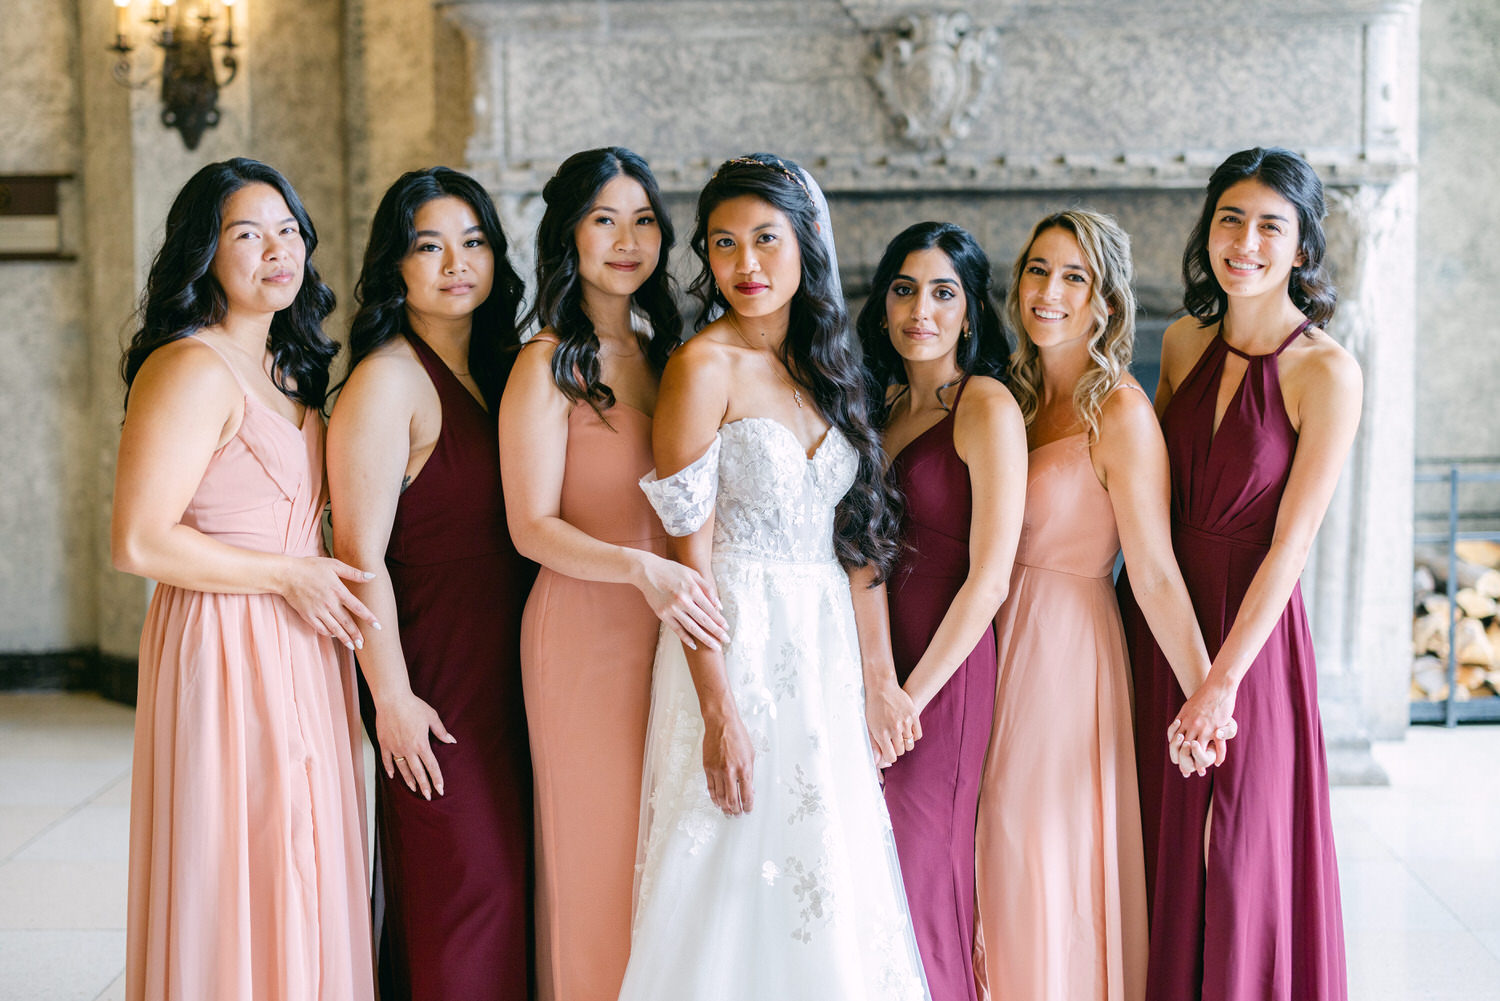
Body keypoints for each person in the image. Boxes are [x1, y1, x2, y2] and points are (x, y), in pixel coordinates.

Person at [617, 154, 930, 1001]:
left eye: (765, 239)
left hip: (823, 647)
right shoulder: (701, 367)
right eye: (724, 244)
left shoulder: (836, 365)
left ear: (807, 243)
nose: (746, 264)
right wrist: (718, 708)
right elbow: (690, 565)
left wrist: (877, 676)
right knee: (725, 853)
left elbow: (858, 543)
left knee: (825, 862)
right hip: (736, 639)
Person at [113, 157, 376, 1001]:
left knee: (297, 850)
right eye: (247, 233)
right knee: (239, 853)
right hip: (225, 642)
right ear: (205, 251)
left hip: (300, 643)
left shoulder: (290, 371)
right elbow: (139, 541)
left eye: (288, 230)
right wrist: (285, 576)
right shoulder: (190, 367)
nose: (277, 249)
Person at [1118, 146, 1358, 1001]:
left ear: (1300, 247)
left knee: (1244, 849)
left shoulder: (1325, 370)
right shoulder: (1182, 342)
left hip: (1252, 636)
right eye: (1230, 218)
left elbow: (1292, 545)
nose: (1245, 240)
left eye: (1269, 225)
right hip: (1161, 608)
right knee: (1165, 839)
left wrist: (1220, 684)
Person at [496, 146, 727, 1001]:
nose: (627, 241)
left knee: (668, 854)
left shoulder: (676, 356)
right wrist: (638, 569)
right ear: (569, 236)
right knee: (596, 854)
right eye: (604, 220)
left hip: (674, 629)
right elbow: (530, 527)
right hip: (585, 630)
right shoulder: (544, 363)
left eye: (642, 222)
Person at [974, 210, 1218, 1001]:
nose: (1049, 290)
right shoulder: (1008, 394)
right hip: (991, 636)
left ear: (1104, 300)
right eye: (1038, 270)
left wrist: (1207, 691)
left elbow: (1154, 571)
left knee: (1038, 845)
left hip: (1067, 653)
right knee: (987, 848)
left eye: (1073, 276)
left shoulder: (1120, 412)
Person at [325, 166, 532, 1000]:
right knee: (465, 894)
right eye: (430, 245)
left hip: (512, 679)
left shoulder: (503, 368)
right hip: (435, 686)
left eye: (474, 242)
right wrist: (394, 700)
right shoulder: (388, 380)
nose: (457, 262)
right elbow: (357, 555)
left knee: (512, 893)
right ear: (396, 266)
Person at [856, 221, 1025, 1001]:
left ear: (969, 311)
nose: (920, 309)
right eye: (904, 289)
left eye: (942, 292)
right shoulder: (880, 406)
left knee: (927, 876)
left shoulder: (985, 405)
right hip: (873, 669)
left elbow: (989, 578)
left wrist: (907, 698)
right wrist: (872, 680)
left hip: (941, 679)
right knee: (874, 883)